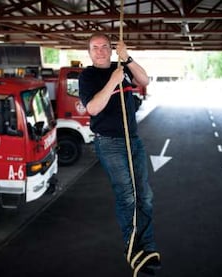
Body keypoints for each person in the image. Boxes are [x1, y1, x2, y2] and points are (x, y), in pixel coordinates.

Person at [79, 33, 161, 272]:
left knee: (144, 195)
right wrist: (113, 81)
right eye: (95, 47)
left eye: (105, 46)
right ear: (90, 52)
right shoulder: (88, 76)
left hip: (132, 139)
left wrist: (128, 59)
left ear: (111, 49)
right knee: (127, 195)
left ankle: (147, 245)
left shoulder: (121, 66)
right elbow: (93, 108)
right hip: (109, 142)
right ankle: (132, 245)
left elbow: (144, 80)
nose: (101, 51)